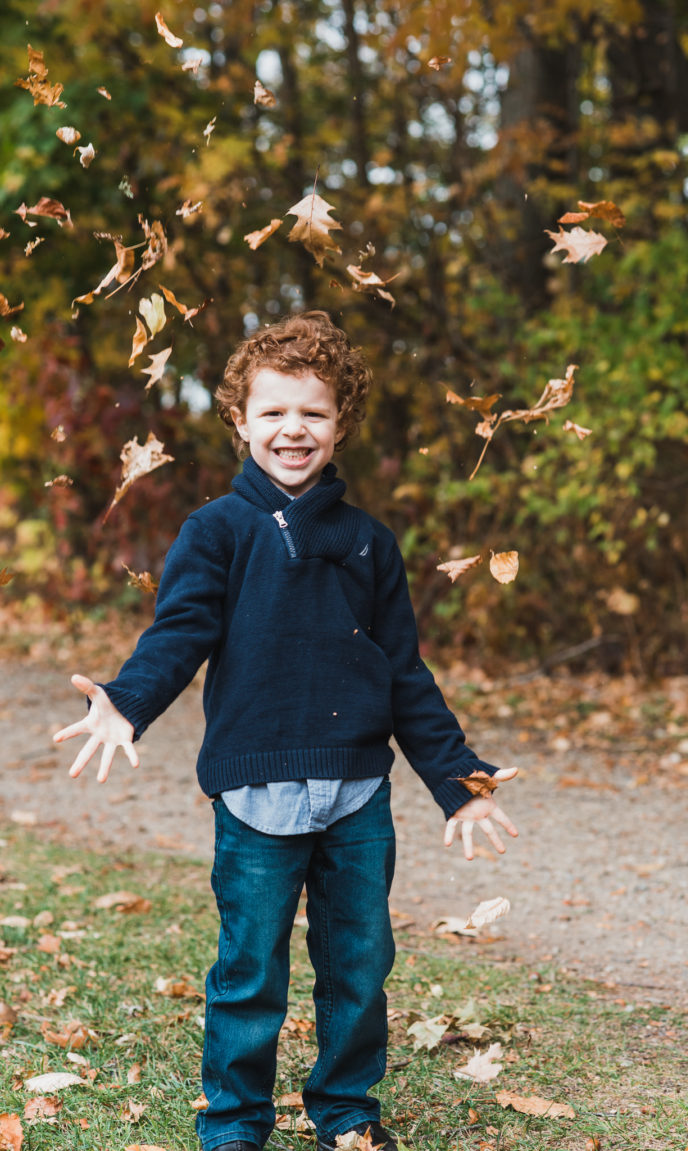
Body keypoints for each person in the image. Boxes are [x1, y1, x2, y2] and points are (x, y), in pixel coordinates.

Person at [53, 310, 518, 1151]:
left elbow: (405, 672)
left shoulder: (369, 544)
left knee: (359, 963)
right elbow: (181, 631)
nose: (292, 429)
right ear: (239, 421)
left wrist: (459, 780)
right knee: (249, 968)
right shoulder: (217, 530)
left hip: (356, 794)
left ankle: (346, 1108)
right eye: (272, 412)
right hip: (254, 788)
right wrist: (128, 699)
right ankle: (234, 1120)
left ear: (341, 425)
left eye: (312, 412)